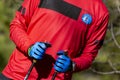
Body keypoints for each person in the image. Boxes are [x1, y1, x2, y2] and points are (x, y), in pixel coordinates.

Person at [0, 0, 109, 80]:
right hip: (16, 74)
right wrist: (29, 47)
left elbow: (89, 56)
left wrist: (72, 65)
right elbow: (16, 25)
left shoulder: (101, 12)